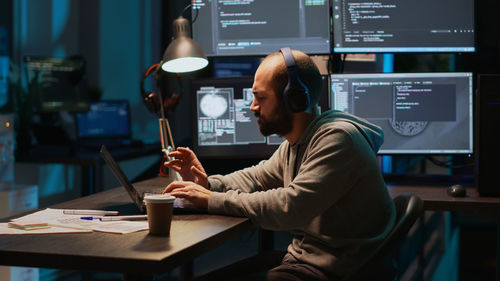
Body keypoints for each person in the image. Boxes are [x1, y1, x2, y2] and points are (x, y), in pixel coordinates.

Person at [163, 48, 396, 281]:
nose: (253, 106)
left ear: (294, 99)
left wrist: (212, 200)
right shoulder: (298, 143)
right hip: (309, 258)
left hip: (340, 270)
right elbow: (257, 178)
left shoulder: (338, 139)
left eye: (261, 97)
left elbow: (291, 207)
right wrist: (208, 184)